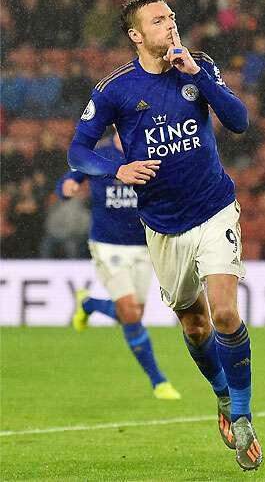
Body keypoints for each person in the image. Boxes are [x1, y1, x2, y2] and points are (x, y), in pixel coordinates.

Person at [66, 0, 261, 471]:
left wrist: (200, 77)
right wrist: (119, 168)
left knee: (226, 315)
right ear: (136, 34)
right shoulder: (115, 90)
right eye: (158, 20)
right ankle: (220, 395)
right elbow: (78, 152)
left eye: (172, 16)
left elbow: (239, 121)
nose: (171, 24)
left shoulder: (199, 67)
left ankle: (241, 414)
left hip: (214, 208)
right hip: (164, 226)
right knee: (195, 328)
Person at [59, 133, 180, 400]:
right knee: (130, 313)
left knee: (134, 312)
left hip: (144, 245)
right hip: (108, 244)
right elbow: (71, 177)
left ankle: (88, 304)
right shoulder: (98, 154)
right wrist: (67, 186)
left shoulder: (151, 150)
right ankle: (158, 380)